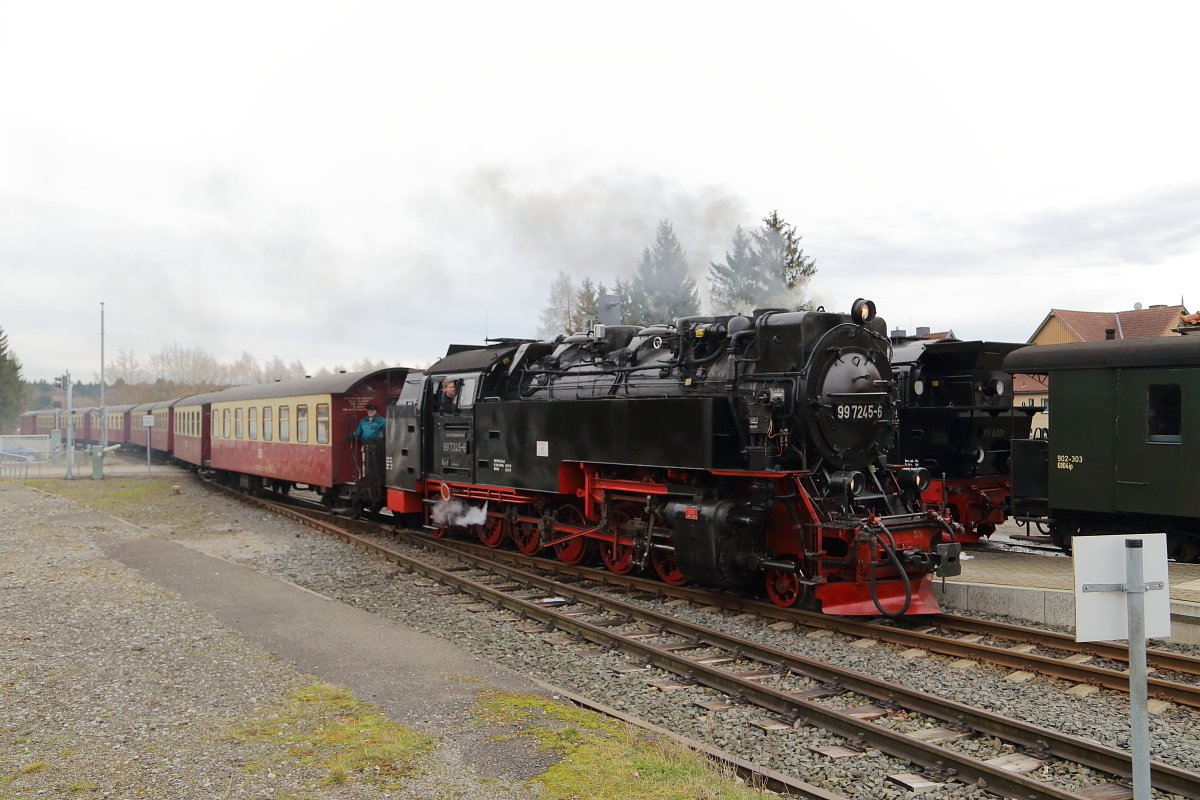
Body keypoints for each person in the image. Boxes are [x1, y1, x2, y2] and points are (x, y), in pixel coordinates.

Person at [354, 404, 386, 489]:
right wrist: (353, 435)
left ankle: (376, 476)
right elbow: (358, 431)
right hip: (366, 443)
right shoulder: (362, 421)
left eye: (372, 411)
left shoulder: (380, 420)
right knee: (364, 461)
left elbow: (385, 425)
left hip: (377, 443)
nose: (370, 412)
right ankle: (364, 476)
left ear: (375, 411)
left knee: (376, 461)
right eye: (369, 411)